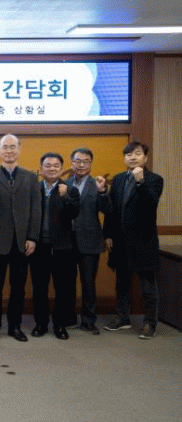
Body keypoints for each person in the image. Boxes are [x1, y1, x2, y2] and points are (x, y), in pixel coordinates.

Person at [0, 134, 41, 343]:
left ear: (19, 150)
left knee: (18, 287)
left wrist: (32, 237)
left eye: (13, 147)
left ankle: (15, 327)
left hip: (22, 241)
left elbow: (36, 210)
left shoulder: (30, 177)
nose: (9, 151)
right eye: (5, 147)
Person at [103, 141, 164, 339]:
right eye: (129, 154)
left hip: (143, 240)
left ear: (145, 158)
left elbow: (151, 204)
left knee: (147, 286)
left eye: (137, 154)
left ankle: (150, 323)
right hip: (120, 240)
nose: (133, 157)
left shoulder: (154, 179)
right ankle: (123, 318)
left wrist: (140, 182)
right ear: (124, 158)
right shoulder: (119, 179)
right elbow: (111, 209)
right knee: (121, 283)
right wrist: (108, 234)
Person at [30, 153, 80, 340]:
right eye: (48, 165)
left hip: (62, 248)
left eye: (56, 165)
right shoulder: (34, 189)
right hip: (38, 247)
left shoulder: (70, 190)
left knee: (62, 289)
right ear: (41, 169)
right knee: (39, 288)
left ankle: (60, 325)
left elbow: (73, 213)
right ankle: (41, 324)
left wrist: (65, 196)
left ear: (61, 169)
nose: (51, 168)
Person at [65, 148, 111, 335]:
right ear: (71, 163)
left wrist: (102, 192)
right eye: (77, 161)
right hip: (67, 241)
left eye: (85, 161)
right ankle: (69, 318)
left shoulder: (97, 184)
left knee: (88, 284)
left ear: (91, 164)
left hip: (90, 241)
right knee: (67, 282)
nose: (81, 164)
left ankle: (89, 320)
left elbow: (107, 210)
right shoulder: (65, 184)